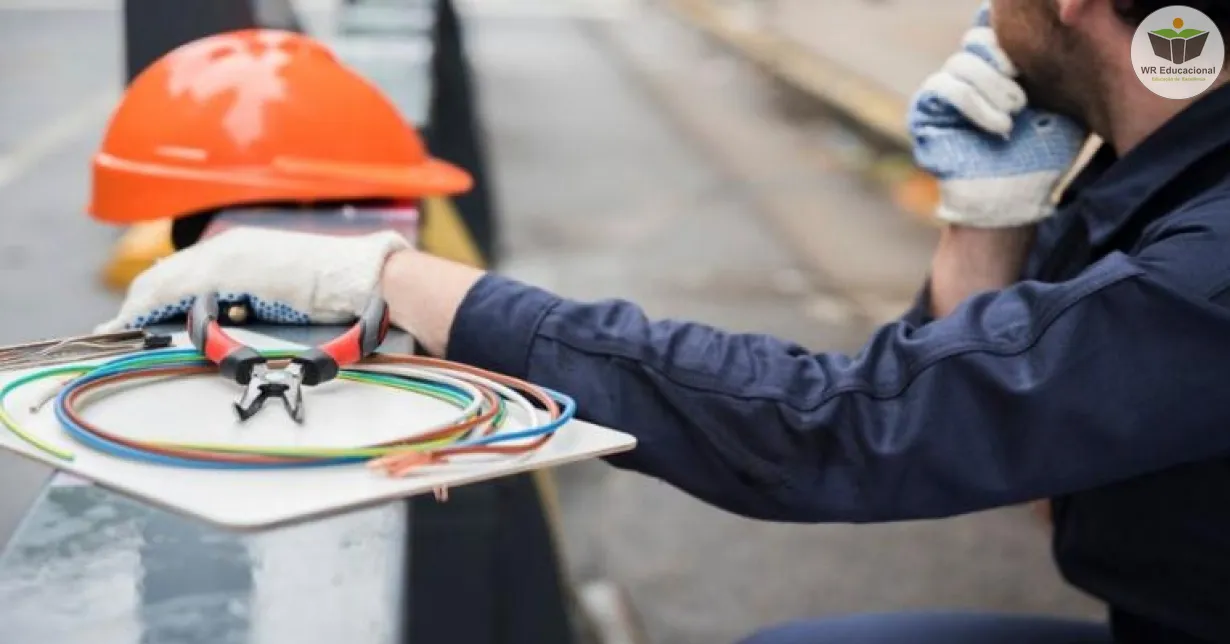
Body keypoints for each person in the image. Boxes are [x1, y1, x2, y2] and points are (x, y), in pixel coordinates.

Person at [100, 0, 1230, 642]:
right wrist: (988, 222)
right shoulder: (1161, 181)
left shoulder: (1206, 266)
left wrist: (398, 280)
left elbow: (837, 428)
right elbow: (1009, 448)